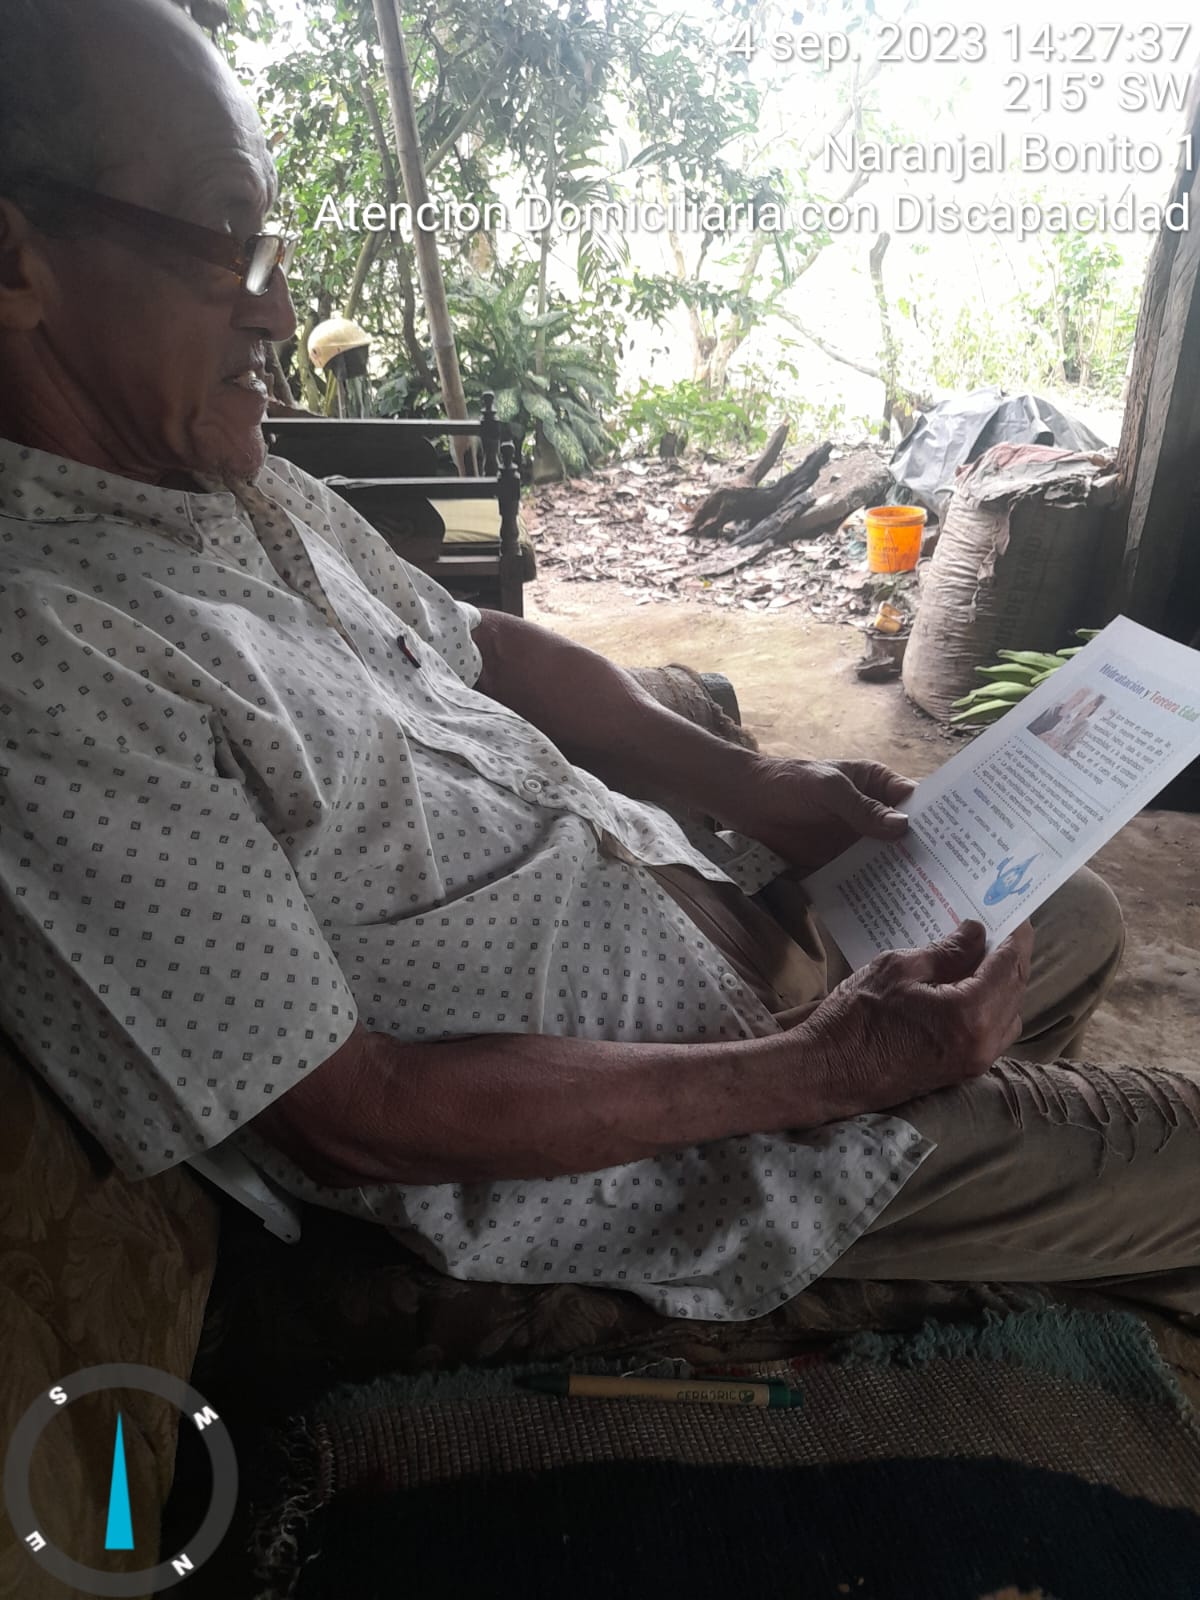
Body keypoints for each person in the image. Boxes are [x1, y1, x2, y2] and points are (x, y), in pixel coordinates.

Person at [0, 0, 1196, 1326]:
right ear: (16, 265)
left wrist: (756, 788)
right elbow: (352, 1113)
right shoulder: (45, 661)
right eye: (228, 239)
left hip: (726, 940)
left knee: (1069, 914)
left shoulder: (239, 485)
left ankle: (998, 1218)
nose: (278, 307)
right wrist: (829, 1070)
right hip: (688, 1145)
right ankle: (946, 1241)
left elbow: (490, 648)